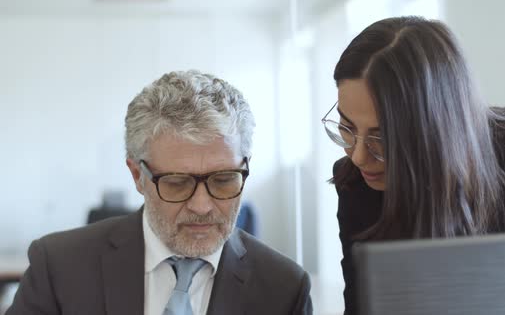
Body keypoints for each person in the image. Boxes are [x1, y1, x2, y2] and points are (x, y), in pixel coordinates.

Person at [321, 16, 505, 315]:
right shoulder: (356, 184)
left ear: (438, 128)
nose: (358, 157)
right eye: (347, 128)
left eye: (381, 137)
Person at [8, 70, 312, 315]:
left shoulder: (284, 288)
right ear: (137, 175)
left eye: (223, 180)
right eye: (177, 183)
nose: (203, 205)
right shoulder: (60, 267)